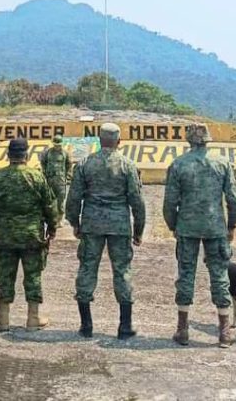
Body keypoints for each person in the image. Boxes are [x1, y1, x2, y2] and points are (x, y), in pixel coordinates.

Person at [162, 124, 236, 347]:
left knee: (186, 274)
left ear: (189, 140)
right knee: (220, 276)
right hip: (215, 227)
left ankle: (183, 330)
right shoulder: (222, 163)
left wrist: (173, 225)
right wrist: (232, 226)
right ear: (208, 140)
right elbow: (235, 201)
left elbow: (169, 202)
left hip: (187, 228)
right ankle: (225, 332)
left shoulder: (178, 165)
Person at [65, 123, 145, 339]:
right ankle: (125, 326)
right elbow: (137, 201)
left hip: (92, 224)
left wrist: (75, 222)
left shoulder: (85, 164)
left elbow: (73, 198)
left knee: (88, 269)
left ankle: (86, 325)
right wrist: (138, 230)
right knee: (122, 271)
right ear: (119, 142)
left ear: (100, 141)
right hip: (119, 225)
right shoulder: (128, 165)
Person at [0, 137, 58, 331]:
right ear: (27, 155)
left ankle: (3, 318)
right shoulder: (37, 177)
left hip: (5, 236)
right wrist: (52, 226)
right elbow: (50, 205)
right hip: (32, 236)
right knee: (33, 275)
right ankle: (33, 318)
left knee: (5, 275)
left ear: (8, 155)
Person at [41, 135, 73, 219]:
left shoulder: (65, 153)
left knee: (61, 200)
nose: (57, 147)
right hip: (49, 180)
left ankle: (60, 218)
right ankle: (52, 218)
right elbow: (43, 163)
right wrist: (44, 173)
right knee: (50, 200)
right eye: (56, 145)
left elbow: (69, 165)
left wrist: (68, 177)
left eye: (59, 145)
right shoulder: (48, 152)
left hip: (61, 181)